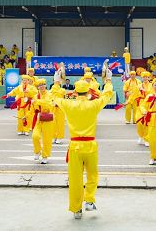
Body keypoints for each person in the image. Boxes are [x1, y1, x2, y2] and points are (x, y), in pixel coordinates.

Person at [54, 79, 114, 219]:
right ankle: (89, 200)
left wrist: (57, 83)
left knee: (75, 179)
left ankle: (76, 209)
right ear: (88, 91)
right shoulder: (93, 104)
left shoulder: (68, 104)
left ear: (75, 92)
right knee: (92, 174)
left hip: (75, 146)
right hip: (90, 145)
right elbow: (107, 95)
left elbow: (55, 96)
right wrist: (109, 81)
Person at [32, 78, 55, 164]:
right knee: (35, 136)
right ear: (37, 87)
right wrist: (26, 116)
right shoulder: (35, 96)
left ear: (45, 85)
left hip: (48, 118)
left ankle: (45, 156)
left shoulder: (50, 94)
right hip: (39, 118)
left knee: (47, 139)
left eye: (43, 85)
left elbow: (47, 103)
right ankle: (37, 151)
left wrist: (37, 101)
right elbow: (33, 109)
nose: (41, 87)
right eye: (39, 85)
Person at [135, 71, 153, 146]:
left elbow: (152, 94)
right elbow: (134, 95)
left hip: (148, 104)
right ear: (141, 78)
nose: (145, 78)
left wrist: (145, 91)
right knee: (139, 121)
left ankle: (146, 139)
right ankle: (140, 136)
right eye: (143, 77)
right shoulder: (139, 85)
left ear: (148, 78)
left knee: (147, 122)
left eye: (146, 77)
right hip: (140, 104)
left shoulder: (151, 85)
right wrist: (128, 101)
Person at [51, 68, 66, 144]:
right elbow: (52, 97)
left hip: (60, 108)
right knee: (53, 122)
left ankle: (59, 137)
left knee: (60, 123)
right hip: (53, 108)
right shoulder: (53, 89)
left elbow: (63, 99)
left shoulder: (62, 90)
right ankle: (54, 136)